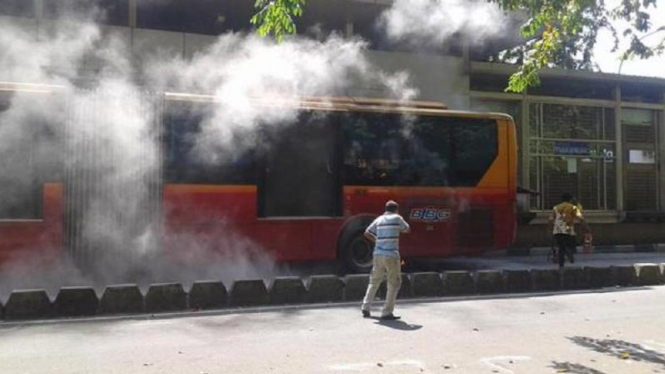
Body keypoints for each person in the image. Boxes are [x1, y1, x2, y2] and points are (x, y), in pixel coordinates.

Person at [361, 200, 411, 320]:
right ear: (396, 209)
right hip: (391, 255)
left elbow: (367, 233)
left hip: (377, 254)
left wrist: (377, 240)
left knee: (374, 281)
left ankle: (365, 307)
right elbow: (408, 229)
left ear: (386, 209)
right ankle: (386, 312)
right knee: (394, 283)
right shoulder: (397, 218)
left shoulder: (379, 219)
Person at [549, 193, 590, 268]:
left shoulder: (556, 208)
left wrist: (551, 230)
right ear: (570, 199)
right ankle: (569, 251)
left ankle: (561, 266)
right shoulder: (573, 208)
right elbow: (581, 219)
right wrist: (586, 228)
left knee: (561, 248)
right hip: (568, 231)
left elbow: (551, 220)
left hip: (558, 230)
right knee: (572, 246)